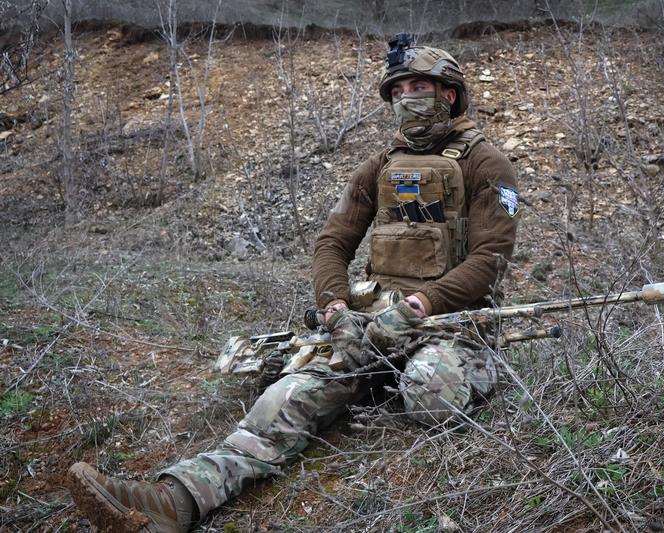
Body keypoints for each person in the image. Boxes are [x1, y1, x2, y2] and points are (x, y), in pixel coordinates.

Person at [66, 33, 520, 533]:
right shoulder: (380, 166)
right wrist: (334, 306)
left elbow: (490, 258)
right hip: (370, 325)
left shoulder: (485, 163)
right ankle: (175, 500)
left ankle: (442, 372)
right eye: (398, 89)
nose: (406, 97)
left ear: (448, 93)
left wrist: (420, 303)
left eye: (418, 85)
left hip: (447, 323)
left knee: (430, 394)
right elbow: (332, 243)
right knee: (287, 395)